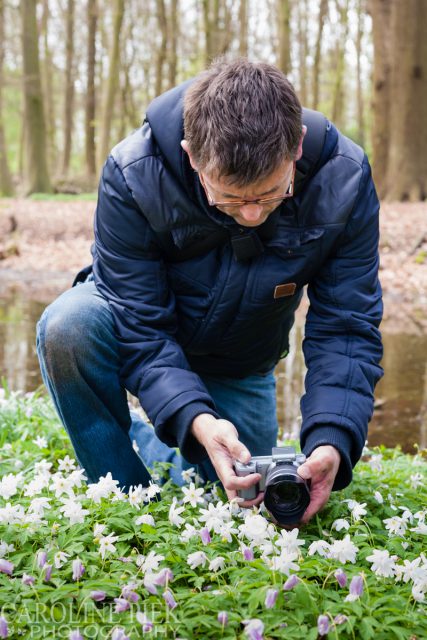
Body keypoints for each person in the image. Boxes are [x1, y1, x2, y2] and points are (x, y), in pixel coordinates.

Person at [36, 58, 383, 524]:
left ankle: (154, 436)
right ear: (192, 155)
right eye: (232, 198)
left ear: (297, 146)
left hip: (241, 360)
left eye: (272, 193)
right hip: (145, 330)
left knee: (246, 495)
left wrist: (332, 440)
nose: (254, 215)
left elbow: (346, 327)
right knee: (67, 326)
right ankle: (126, 500)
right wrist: (199, 421)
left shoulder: (345, 179)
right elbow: (139, 327)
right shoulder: (132, 172)